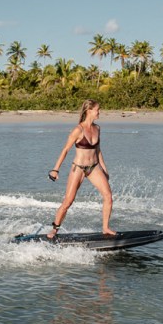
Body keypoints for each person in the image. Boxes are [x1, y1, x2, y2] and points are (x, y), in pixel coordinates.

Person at [46, 99, 116, 238]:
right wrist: (55, 169)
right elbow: (65, 150)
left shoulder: (97, 128)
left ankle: (105, 228)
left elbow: (98, 150)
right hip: (78, 168)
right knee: (68, 201)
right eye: (97, 109)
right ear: (89, 111)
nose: (99, 112)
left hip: (94, 167)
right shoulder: (78, 130)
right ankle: (55, 228)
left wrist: (104, 169)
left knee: (108, 196)